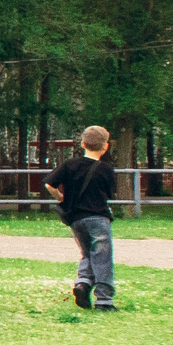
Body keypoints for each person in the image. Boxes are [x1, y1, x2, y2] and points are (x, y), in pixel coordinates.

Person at [45, 125, 118, 312]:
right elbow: (110, 193)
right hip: (98, 218)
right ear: (106, 147)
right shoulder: (106, 170)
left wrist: (60, 197)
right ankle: (104, 300)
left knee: (87, 253)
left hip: (76, 219)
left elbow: (49, 184)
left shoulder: (70, 165)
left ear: (83, 144)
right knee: (102, 257)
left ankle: (83, 283)